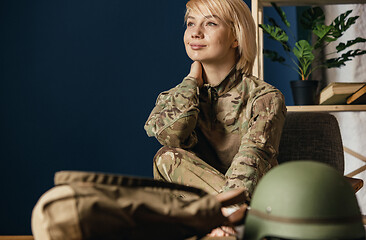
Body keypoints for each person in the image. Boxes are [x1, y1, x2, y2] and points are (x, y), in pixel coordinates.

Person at [144, 0, 286, 235]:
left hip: (254, 206)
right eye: (191, 23)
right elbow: (171, 135)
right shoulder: (176, 97)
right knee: (166, 157)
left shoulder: (265, 97)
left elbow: (251, 160)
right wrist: (191, 82)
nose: (195, 32)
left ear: (236, 37)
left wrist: (228, 210)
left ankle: (231, 221)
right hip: (204, 217)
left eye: (210, 23)